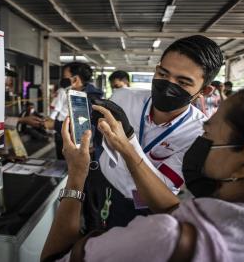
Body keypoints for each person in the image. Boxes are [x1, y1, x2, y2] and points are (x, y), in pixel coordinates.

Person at [41, 84, 244, 261]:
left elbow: (55, 259)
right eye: (163, 74)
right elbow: (176, 209)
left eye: (210, 132)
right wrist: (128, 146)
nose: (202, 138)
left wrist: (76, 174)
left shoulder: (166, 238)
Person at [84, 35, 221, 231]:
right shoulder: (123, 97)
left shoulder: (200, 134)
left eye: (182, 82)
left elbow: (163, 187)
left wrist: (128, 140)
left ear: (204, 91)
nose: (167, 84)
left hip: (146, 207)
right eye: (163, 74)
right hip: (104, 186)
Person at [44, 62, 103, 159]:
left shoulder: (88, 98)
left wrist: (54, 124)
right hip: (72, 140)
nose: (63, 80)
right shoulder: (77, 93)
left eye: (65, 77)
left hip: (83, 149)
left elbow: (84, 129)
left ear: (75, 79)